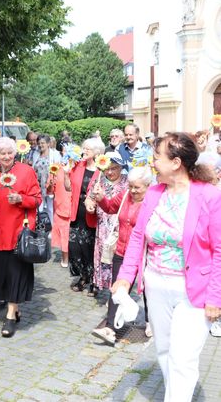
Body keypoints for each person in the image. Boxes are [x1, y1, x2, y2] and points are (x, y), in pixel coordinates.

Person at [112, 132, 221, 401]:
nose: (153, 163)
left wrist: (215, 297)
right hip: (156, 284)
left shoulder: (209, 196)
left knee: (182, 358)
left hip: (193, 290)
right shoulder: (154, 193)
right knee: (164, 351)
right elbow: (138, 237)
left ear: (176, 163)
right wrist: (126, 278)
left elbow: (219, 250)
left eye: (157, 158)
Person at [0, 137, 42, 338]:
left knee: (16, 274)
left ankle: (9, 317)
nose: (6, 156)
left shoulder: (26, 171)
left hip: (18, 232)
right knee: (3, 275)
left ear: (14, 153)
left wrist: (21, 199)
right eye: (2, 153)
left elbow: (37, 199)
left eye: (9, 152)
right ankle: (15, 310)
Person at [91, 166, 153, 345]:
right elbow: (110, 207)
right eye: (131, 186)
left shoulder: (153, 202)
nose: (133, 190)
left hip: (143, 254)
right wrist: (101, 197)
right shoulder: (126, 195)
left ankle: (150, 321)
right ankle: (110, 328)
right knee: (117, 289)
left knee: (147, 289)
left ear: (148, 186)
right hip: (121, 250)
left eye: (137, 187)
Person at [63, 138, 105, 295]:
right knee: (74, 248)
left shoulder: (102, 169)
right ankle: (83, 275)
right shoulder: (78, 166)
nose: (84, 151)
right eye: (84, 148)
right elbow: (68, 188)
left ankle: (94, 280)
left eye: (88, 149)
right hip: (76, 213)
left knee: (90, 250)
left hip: (93, 215)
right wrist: (67, 173)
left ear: (97, 152)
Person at [92, 152, 127, 297]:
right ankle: (107, 290)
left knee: (117, 259)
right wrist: (89, 204)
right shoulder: (99, 181)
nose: (110, 172)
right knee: (104, 258)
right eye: (108, 168)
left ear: (121, 168)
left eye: (115, 168)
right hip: (103, 227)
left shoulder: (127, 182)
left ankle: (117, 290)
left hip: (119, 227)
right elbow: (90, 198)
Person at [34, 134, 62, 225]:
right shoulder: (36, 153)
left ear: (48, 144)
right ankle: (40, 226)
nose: (40, 145)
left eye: (43, 143)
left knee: (50, 207)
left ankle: (53, 227)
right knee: (39, 206)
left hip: (49, 184)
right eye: (39, 143)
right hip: (38, 184)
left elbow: (59, 168)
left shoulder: (55, 154)